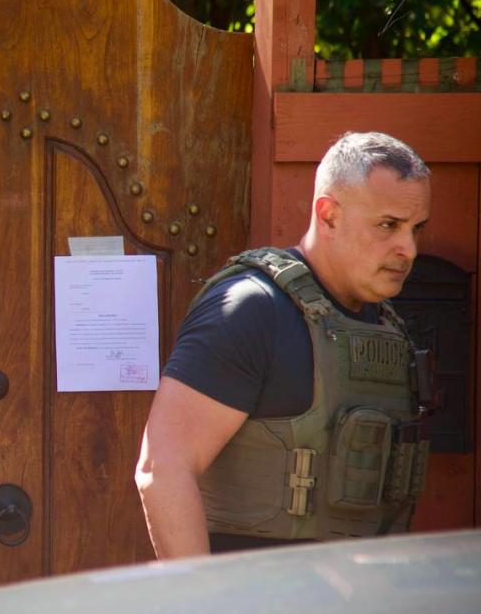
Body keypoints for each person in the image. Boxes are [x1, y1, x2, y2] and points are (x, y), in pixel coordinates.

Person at [135, 131, 434, 559]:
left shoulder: (388, 327)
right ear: (328, 214)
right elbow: (161, 469)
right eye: (388, 225)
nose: (407, 249)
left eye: (415, 228)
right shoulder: (252, 312)